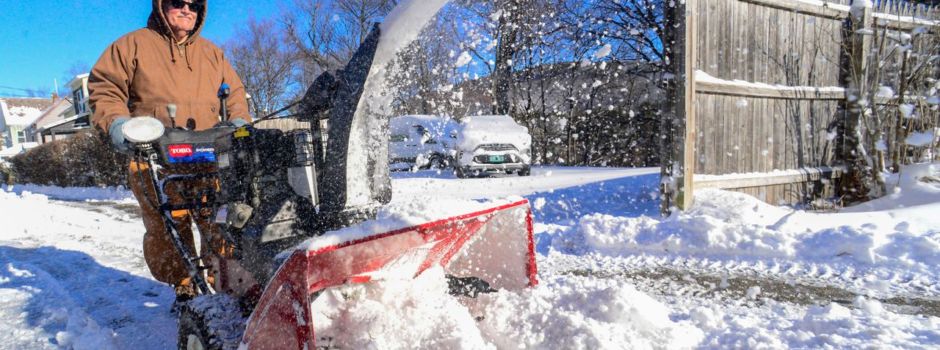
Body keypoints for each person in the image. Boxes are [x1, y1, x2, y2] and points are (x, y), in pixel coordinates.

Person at [88, 0, 250, 302]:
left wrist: (239, 121)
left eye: (194, 5)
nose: (187, 9)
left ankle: (225, 280)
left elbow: (237, 92)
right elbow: (105, 89)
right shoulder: (132, 46)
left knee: (220, 219)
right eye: (178, 2)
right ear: (162, 5)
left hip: (208, 154)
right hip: (156, 157)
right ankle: (185, 286)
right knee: (168, 227)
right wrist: (117, 125)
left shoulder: (212, 53)